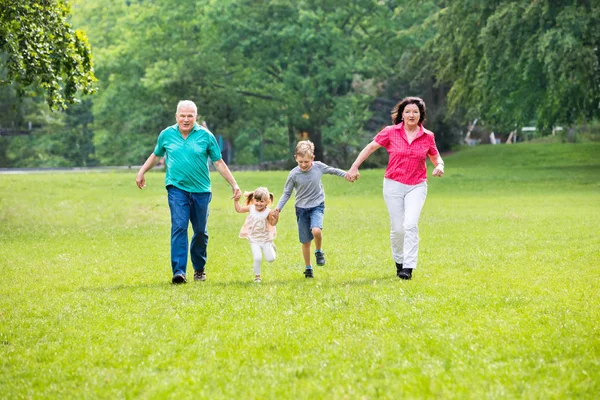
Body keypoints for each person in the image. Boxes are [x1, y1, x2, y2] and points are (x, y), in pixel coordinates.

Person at [136, 100, 242, 284]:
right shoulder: (166, 135)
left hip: (201, 190)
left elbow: (218, 162)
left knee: (200, 232)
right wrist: (142, 171)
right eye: (182, 116)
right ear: (176, 116)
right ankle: (179, 271)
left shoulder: (206, 137)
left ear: (196, 117)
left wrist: (234, 184)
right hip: (176, 188)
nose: (186, 119)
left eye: (190, 116)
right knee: (179, 227)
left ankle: (199, 268)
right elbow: (157, 155)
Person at [346, 96, 444, 280]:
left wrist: (439, 166)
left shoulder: (427, 136)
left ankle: (408, 267)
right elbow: (370, 147)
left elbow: (436, 157)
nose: (411, 114)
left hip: (417, 185)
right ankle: (399, 261)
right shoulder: (390, 132)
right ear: (402, 114)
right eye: (407, 111)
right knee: (398, 228)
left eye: (415, 111)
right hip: (394, 184)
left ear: (421, 115)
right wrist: (354, 166)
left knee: (411, 225)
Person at [273, 140, 353, 279]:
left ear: (312, 158)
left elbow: (333, 170)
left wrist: (346, 175)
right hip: (301, 209)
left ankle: (318, 251)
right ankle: (308, 268)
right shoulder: (293, 174)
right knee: (305, 242)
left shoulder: (318, 167)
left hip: (317, 205)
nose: (303, 165)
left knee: (316, 230)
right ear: (296, 158)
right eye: (300, 162)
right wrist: (278, 208)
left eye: (306, 161)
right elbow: (287, 193)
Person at [234, 187, 279, 282]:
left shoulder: (268, 212)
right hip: (254, 239)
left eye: (261, 201)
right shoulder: (251, 208)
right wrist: (236, 201)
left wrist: (276, 217)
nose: (258, 203)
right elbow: (239, 209)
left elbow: (273, 223)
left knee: (270, 259)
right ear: (254, 200)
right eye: (257, 201)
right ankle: (257, 277)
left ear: (267, 201)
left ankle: (271, 246)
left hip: (266, 238)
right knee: (257, 257)